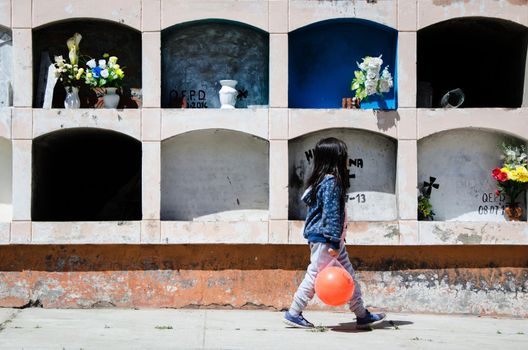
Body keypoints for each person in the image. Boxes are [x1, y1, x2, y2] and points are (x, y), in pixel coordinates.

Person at [283, 137, 386, 330]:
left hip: (329, 240)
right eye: (344, 155)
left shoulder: (321, 182)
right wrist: (333, 242)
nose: (347, 159)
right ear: (335, 158)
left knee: (349, 277)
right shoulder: (331, 183)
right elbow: (331, 215)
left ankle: (362, 314)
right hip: (327, 241)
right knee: (314, 276)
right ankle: (294, 312)